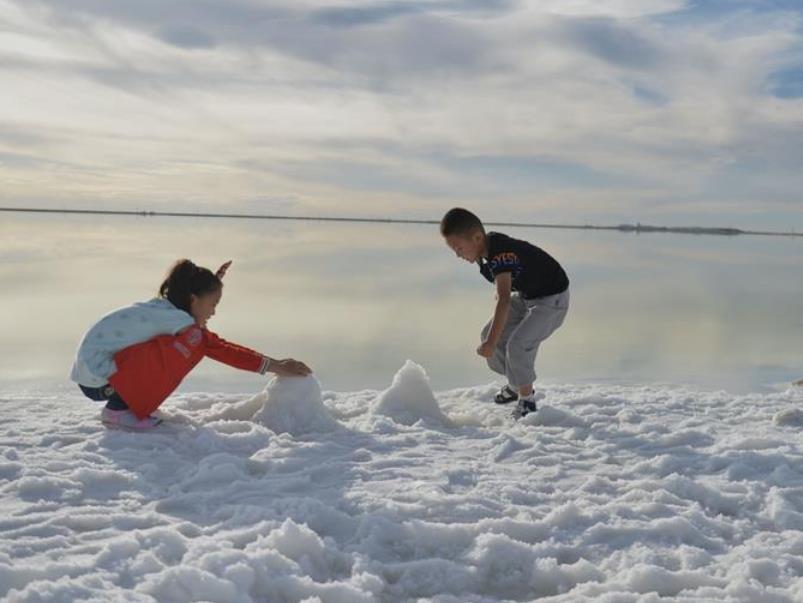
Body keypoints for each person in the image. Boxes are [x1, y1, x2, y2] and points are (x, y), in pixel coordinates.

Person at [70, 259, 311, 429]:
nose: (214, 312)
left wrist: (212, 283)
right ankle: (118, 409)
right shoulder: (180, 322)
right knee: (191, 346)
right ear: (193, 299)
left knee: (187, 342)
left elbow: (198, 314)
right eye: (212, 304)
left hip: (89, 374)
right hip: (99, 382)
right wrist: (275, 365)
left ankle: (125, 403)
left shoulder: (164, 310)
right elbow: (218, 348)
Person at [441, 208, 570, 418]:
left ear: (476, 238)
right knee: (488, 334)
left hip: (552, 300)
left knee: (517, 344)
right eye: (454, 250)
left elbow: (503, 299)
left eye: (459, 248)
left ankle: (527, 401)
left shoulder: (500, 253)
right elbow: (508, 283)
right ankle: (515, 383)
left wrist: (491, 343)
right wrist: (491, 338)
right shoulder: (485, 251)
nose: (457, 255)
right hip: (528, 296)